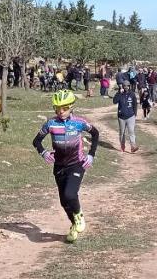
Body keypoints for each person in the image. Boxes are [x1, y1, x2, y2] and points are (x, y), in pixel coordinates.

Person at [32, 90, 98, 243]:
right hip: (59, 166)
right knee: (63, 201)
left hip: (76, 164)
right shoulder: (51, 124)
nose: (61, 111)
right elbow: (36, 141)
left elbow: (95, 134)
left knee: (70, 194)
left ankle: (79, 216)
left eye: (64, 108)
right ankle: (74, 225)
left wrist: (91, 154)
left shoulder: (79, 123)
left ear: (71, 107)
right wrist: (43, 153)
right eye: (57, 108)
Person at [113, 84, 138, 152]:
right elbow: (114, 101)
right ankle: (122, 146)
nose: (126, 87)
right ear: (122, 87)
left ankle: (133, 146)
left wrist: (135, 114)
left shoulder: (132, 94)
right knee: (122, 132)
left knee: (131, 131)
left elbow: (135, 104)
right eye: (124, 86)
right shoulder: (120, 94)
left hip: (131, 116)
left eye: (127, 86)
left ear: (129, 86)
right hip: (121, 117)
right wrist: (118, 93)